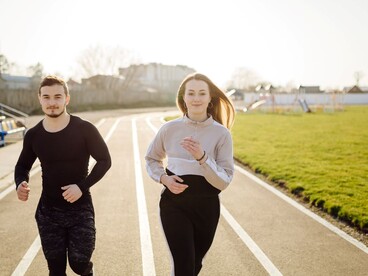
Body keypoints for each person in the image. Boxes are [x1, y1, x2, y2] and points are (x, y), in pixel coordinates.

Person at [15, 75, 111, 276]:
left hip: (80, 210)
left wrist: (82, 186)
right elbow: (22, 165)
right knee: (56, 270)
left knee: (79, 265)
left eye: (57, 97)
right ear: (39, 99)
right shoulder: (33, 135)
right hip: (48, 213)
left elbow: (104, 160)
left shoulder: (84, 129)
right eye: (47, 97)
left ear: (67, 99)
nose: (52, 103)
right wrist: (20, 183)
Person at [145, 72, 235, 275]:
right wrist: (164, 178)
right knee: (183, 267)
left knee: (194, 265)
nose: (196, 98)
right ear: (183, 98)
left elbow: (224, 181)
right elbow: (151, 159)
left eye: (202, 93)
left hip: (207, 207)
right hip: (174, 205)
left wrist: (202, 157)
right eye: (191, 93)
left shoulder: (222, 134)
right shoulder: (168, 129)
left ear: (210, 97)